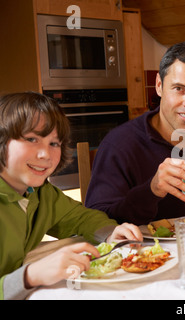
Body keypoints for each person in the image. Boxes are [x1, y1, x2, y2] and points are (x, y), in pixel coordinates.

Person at [85, 41, 185, 225]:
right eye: (179, 89)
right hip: (139, 251)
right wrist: (152, 190)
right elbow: (97, 222)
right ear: (159, 85)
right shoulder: (120, 144)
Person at [0, 92, 143, 300]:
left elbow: (81, 217)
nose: (45, 154)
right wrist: (30, 275)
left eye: (54, 143)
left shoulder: (40, 194)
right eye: (31, 139)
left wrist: (112, 233)